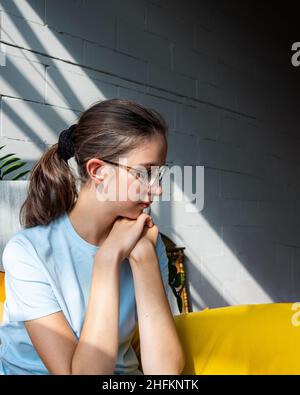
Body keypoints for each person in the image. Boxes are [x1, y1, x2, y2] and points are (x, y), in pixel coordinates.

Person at [0, 98, 185, 375]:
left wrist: (145, 257)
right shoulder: (28, 252)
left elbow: (166, 375)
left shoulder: (145, 241)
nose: (157, 190)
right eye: (145, 173)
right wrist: (107, 260)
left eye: (159, 174)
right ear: (98, 171)